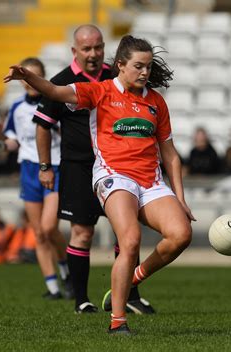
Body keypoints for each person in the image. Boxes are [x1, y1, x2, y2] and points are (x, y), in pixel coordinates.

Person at [5, 35, 195, 334]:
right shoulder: (100, 91)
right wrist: (29, 76)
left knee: (181, 234)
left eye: (147, 67)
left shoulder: (156, 101)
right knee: (130, 239)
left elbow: (170, 154)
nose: (145, 73)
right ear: (120, 65)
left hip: (151, 180)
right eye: (138, 66)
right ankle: (118, 322)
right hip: (114, 175)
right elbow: (55, 91)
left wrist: (180, 198)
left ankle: (133, 278)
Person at [32, 25, 154, 314]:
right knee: (82, 233)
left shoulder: (117, 75)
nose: (94, 54)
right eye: (86, 49)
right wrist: (45, 166)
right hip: (78, 166)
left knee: (126, 233)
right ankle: (82, 300)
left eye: (98, 47)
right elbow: (43, 126)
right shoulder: (62, 81)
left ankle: (129, 296)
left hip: (119, 166)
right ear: (75, 51)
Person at [0, 57, 72, 299]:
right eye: (25, 76)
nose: (29, 81)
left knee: (50, 227)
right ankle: (52, 287)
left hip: (54, 167)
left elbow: (65, 132)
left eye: (34, 75)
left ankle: (66, 272)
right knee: (38, 232)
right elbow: (14, 139)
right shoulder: (17, 108)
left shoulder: (54, 102)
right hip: (29, 170)